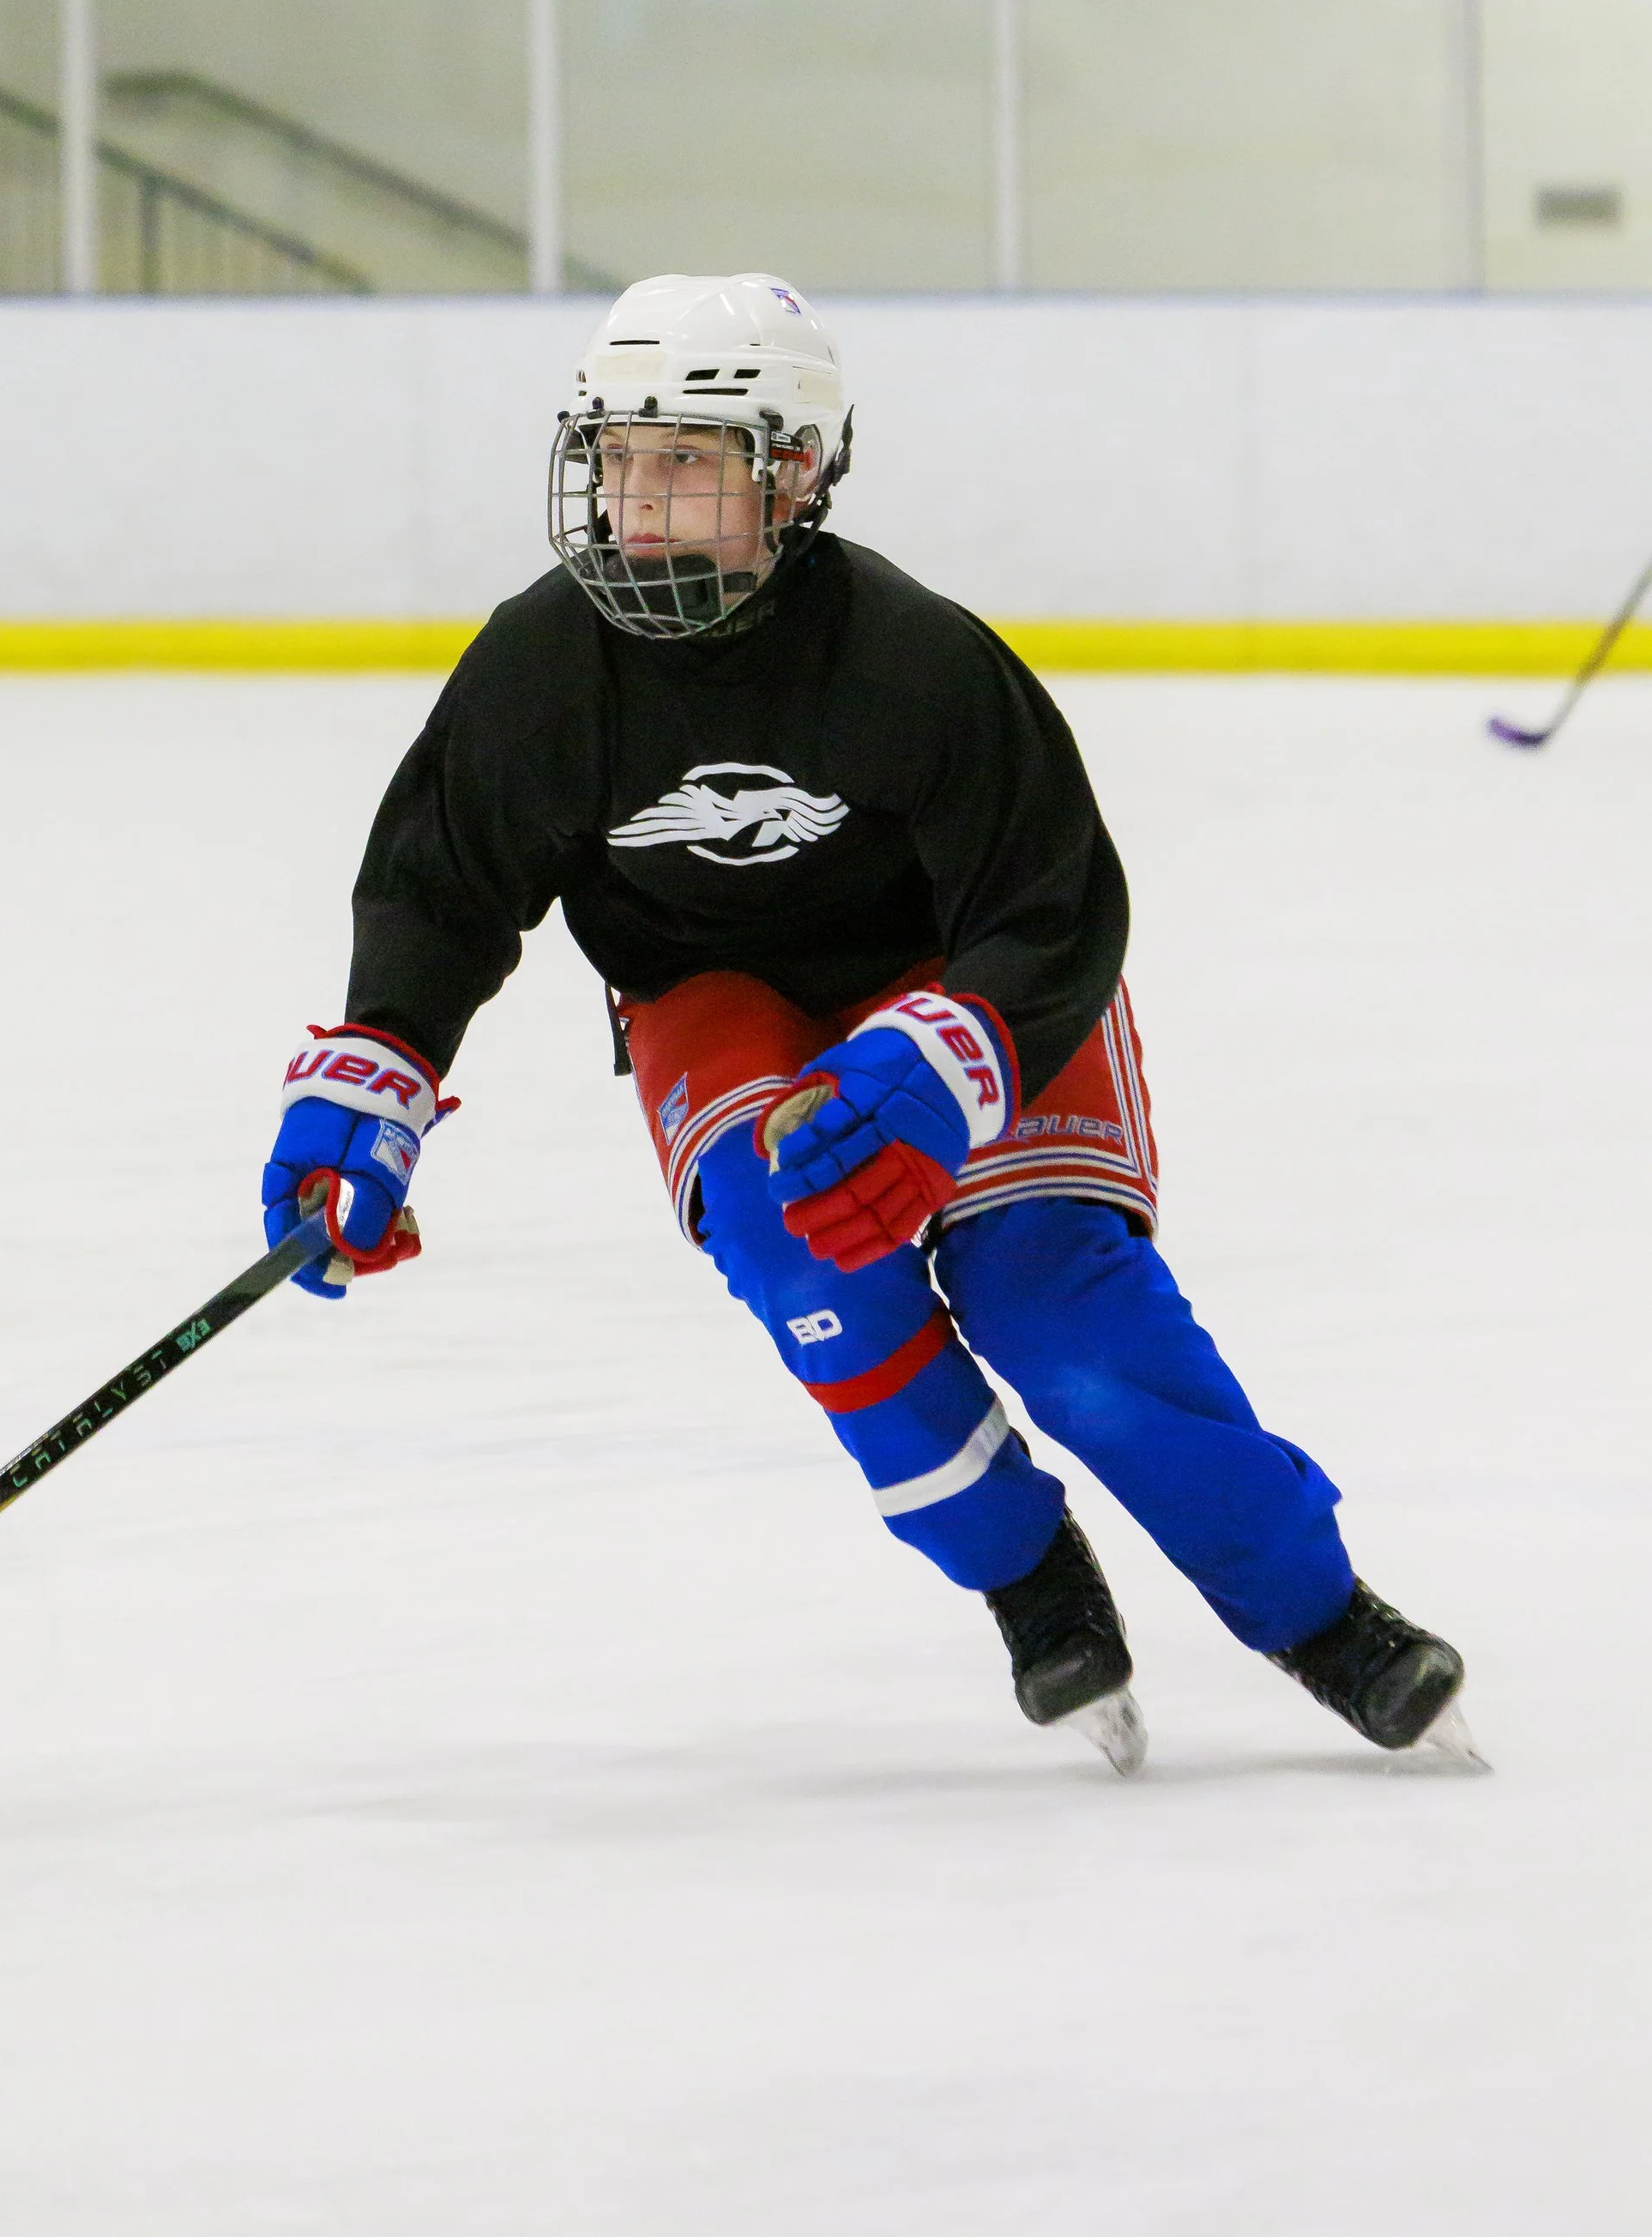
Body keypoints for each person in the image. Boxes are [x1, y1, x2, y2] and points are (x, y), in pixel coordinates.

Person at [261, 274, 1475, 1774]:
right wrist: (372, 1081)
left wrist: (942, 1067)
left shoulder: (914, 658)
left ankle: (1319, 1612)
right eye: (623, 457)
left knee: (1061, 1311)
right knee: (800, 1248)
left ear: (793, 472)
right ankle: (1031, 1580)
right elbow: (442, 893)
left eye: (688, 462)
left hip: (962, 989)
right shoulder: (540, 670)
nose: (640, 504)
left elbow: (1050, 905)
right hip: (712, 996)